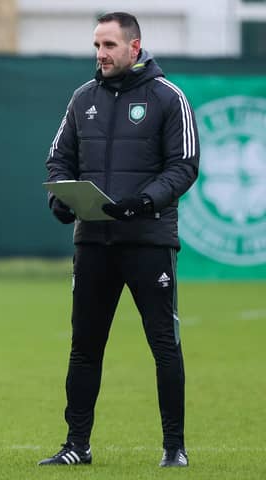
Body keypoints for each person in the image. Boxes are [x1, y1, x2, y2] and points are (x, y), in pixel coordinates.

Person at [39, 12, 198, 468]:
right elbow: (58, 160)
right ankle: (77, 446)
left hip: (148, 241)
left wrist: (144, 202)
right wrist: (63, 199)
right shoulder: (82, 98)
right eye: (96, 46)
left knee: (163, 344)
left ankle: (174, 449)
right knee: (84, 346)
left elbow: (184, 165)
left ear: (134, 47)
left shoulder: (168, 97)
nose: (101, 54)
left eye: (109, 45)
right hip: (93, 243)